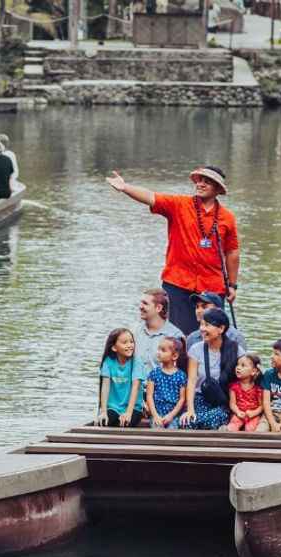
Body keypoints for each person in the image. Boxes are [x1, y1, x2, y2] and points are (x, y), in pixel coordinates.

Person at [106, 166, 240, 336]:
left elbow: (232, 252)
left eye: (207, 182)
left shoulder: (227, 217)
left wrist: (232, 285)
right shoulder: (179, 205)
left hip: (212, 287)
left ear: (218, 189)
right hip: (178, 283)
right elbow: (151, 197)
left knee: (211, 335)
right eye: (199, 180)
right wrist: (125, 188)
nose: (200, 184)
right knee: (177, 336)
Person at [181, 307, 244, 430]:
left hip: (223, 402)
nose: (202, 329)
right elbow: (192, 381)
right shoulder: (196, 349)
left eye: (207, 325)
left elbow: (246, 377)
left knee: (214, 417)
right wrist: (190, 409)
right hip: (200, 398)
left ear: (221, 329)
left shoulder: (236, 351)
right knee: (187, 421)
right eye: (201, 324)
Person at [97, 328, 147, 427]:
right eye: (124, 342)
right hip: (113, 408)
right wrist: (103, 412)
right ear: (114, 348)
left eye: (131, 342)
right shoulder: (108, 362)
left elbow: (135, 388)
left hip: (133, 408)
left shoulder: (137, 362)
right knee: (103, 422)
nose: (129, 345)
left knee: (124, 423)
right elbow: (105, 387)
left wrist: (128, 413)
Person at [134, 288, 185, 375]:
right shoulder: (136, 330)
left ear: (158, 308)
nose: (140, 307)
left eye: (145, 303)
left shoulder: (175, 336)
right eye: (141, 303)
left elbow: (178, 373)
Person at [146, 336, 188, 429]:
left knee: (172, 431)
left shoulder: (181, 376)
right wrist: (155, 415)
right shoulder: (154, 373)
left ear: (174, 356)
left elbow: (182, 399)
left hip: (173, 415)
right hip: (157, 414)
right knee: (157, 429)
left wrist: (171, 415)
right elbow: (149, 396)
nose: (158, 352)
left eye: (163, 350)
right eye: (159, 349)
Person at [227, 353, 263, 432]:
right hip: (238, 414)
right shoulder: (234, 387)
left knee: (250, 429)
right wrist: (238, 412)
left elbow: (261, 406)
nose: (238, 368)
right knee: (231, 428)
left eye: (243, 365)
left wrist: (254, 413)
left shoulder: (258, 388)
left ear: (253, 371)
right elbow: (232, 404)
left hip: (253, 415)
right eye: (238, 365)